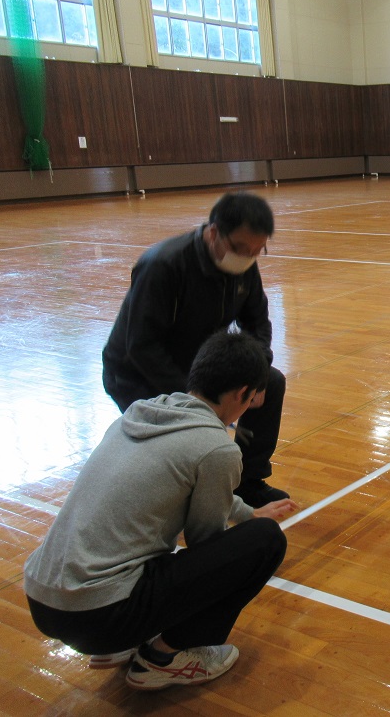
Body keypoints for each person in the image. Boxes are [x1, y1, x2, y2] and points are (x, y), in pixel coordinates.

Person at [24, 331, 299, 691]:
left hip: (44, 597)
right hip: (97, 615)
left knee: (154, 539)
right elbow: (206, 543)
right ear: (241, 394)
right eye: (251, 401)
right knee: (265, 542)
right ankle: (164, 657)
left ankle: (120, 645)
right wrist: (254, 527)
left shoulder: (139, 414)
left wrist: (248, 513)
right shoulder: (216, 448)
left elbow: (182, 486)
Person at [102, 191, 288, 508]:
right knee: (185, 436)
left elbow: (257, 323)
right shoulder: (163, 265)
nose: (248, 257)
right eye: (241, 249)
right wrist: (196, 401)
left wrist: (256, 375)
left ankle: (249, 481)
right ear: (214, 232)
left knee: (270, 380)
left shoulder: (244, 264)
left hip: (198, 365)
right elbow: (141, 347)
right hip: (138, 374)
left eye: (258, 251)